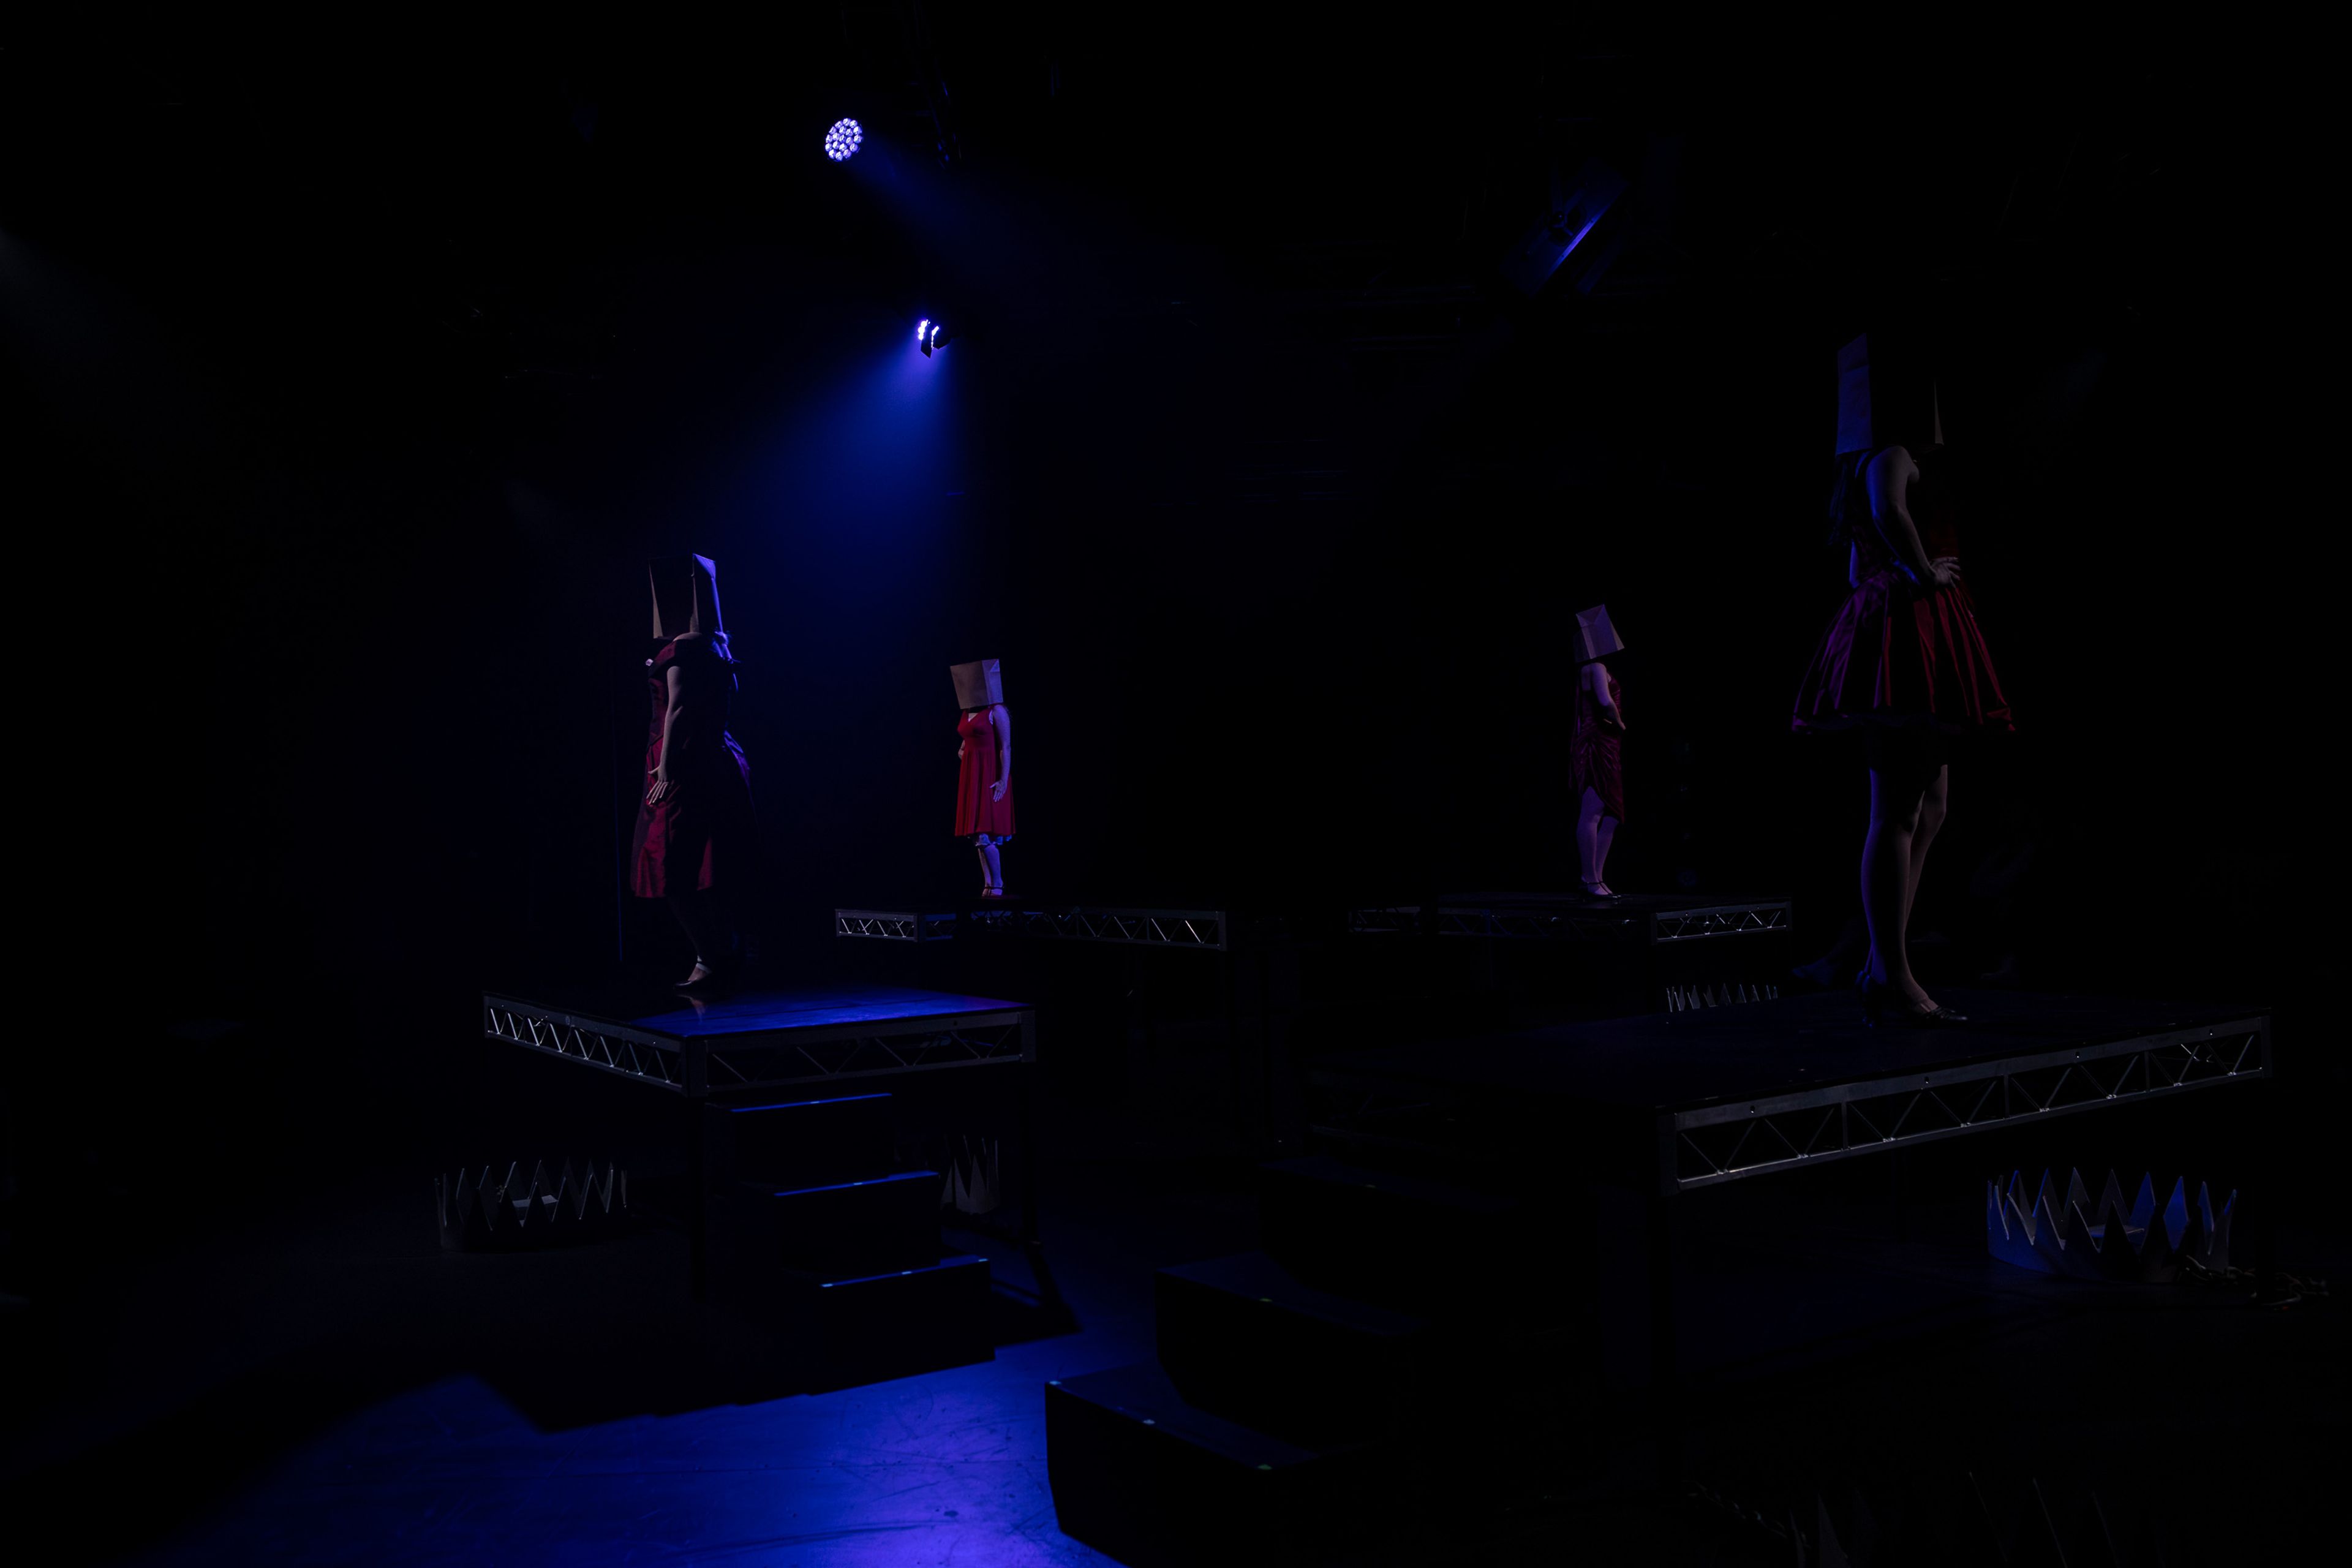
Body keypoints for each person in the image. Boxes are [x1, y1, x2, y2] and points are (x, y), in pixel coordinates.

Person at [1793, 334, 2011, 1026]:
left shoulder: (1878, 459)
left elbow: (1860, 565)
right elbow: (1890, 514)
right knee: (1896, 808)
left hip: (1907, 621)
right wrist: (1920, 573)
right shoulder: (1890, 455)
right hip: (1904, 629)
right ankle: (1890, 969)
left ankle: (1881, 962)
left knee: (1932, 804)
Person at [630, 554, 756, 992]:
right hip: (716, 758)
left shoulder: (684, 648)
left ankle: (712, 954)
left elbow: (679, 707)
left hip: (681, 761)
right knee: (704, 862)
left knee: (669, 862)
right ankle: (723, 949)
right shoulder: (716, 646)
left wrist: (664, 768)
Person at [1569, 605, 1629, 900]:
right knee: (1594, 810)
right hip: (1599, 740)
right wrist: (1620, 724)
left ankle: (1594, 877)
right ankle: (1591, 879)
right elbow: (1605, 703)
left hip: (1597, 740)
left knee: (1610, 813)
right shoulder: (1597, 668)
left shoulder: (1587, 669)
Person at [951, 658, 1014, 897]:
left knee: (986, 833)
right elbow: (967, 739)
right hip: (971, 774)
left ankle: (997, 883)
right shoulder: (968, 711)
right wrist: (962, 749)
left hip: (989, 773)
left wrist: (1003, 780)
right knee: (977, 836)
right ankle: (987, 884)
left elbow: (1005, 747)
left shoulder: (996, 711)